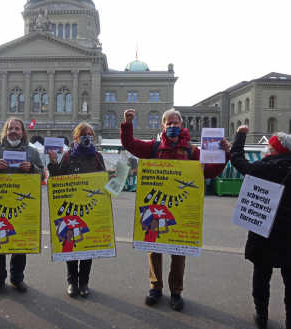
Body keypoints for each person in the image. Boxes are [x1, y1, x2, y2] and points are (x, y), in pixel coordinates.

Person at [120, 108, 230, 310]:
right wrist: (127, 124)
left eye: (175, 123)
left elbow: (212, 171)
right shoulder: (153, 148)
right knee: (154, 248)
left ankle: (176, 291)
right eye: (168, 123)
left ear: (182, 126)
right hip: (157, 207)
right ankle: (155, 287)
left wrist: (223, 153)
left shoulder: (193, 151)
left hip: (181, 207)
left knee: (179, 250)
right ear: (163, 126)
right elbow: (129, 144)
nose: (172, 126)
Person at [231, 125, 291, 329]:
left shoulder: (265, 168)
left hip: (263, 233)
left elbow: (238, 160)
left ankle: (261, 315)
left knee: (261, 276)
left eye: (269, 147)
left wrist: (240, 135)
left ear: (274, 150)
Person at [0, 117, 43, 297]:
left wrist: (31, 168)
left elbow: (42, 174)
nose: (14, 131)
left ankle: (17, 279)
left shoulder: (32, 152)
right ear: (5, 131)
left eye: (17, 128)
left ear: (23, 132)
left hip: (23, 206)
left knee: (19, 244)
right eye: (10, 128)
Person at [47, 122, 106, 298]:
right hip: (71, 208)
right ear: (76, 137)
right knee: (71, 245)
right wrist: (53, 163)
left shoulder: (97, 157)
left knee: (88, 246)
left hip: (90, 208)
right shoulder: (67, 157)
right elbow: (57, 179)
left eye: (89, 134)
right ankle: (72, 282)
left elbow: (103, 181)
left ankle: (84, 282)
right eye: (83, 134)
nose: (86, 137)